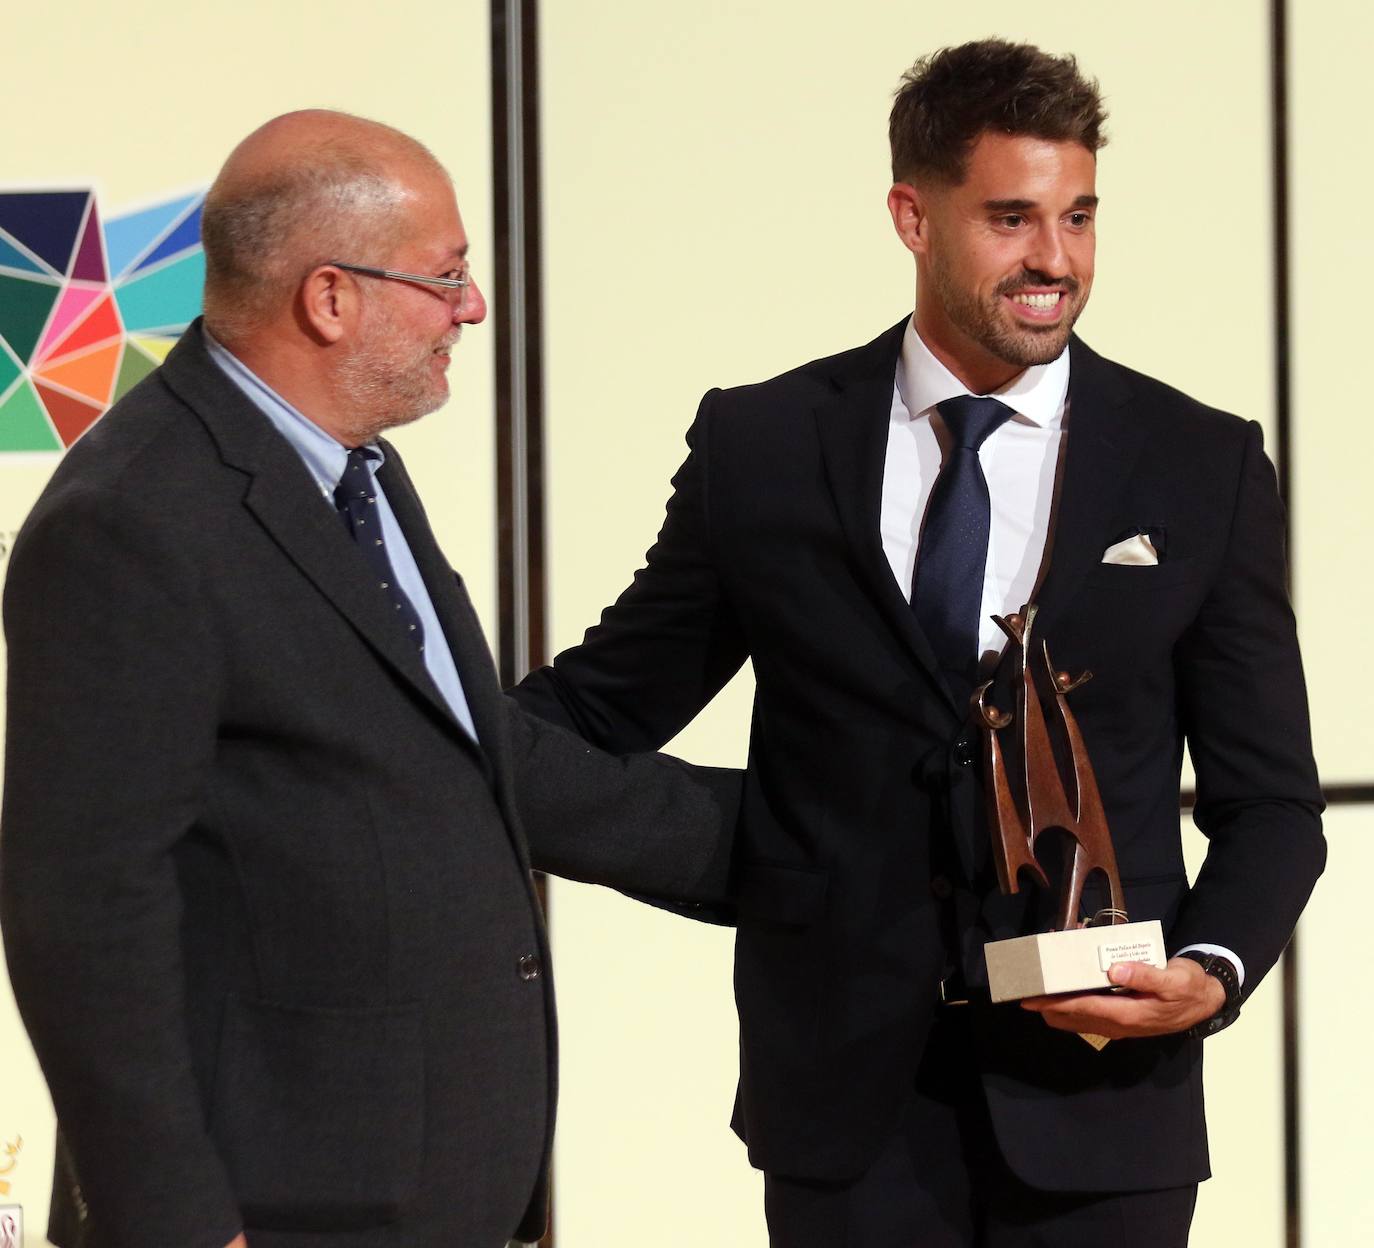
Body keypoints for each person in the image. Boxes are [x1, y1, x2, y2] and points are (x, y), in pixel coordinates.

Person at [512, 39, 1325, 1248]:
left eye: (1079, 216)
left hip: (1103, 1110)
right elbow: (601, 707)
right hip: (844, 1100)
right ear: (912, 215)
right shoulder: (766, 446)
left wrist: (1210, 968)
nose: (1055, 258)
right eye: (1011, 217)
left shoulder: (1199, 462)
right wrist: (391, 747)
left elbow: (1273, 805)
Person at [0, 110, 740, 1248]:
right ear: (330, 297)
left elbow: (468, 755)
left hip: (426, 1194)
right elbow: (83, 912)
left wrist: (816, 836)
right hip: (276, 1209)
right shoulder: (131, 523)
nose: (473, 309)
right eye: (446, 279)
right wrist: (177, 1227)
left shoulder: (356, 470)